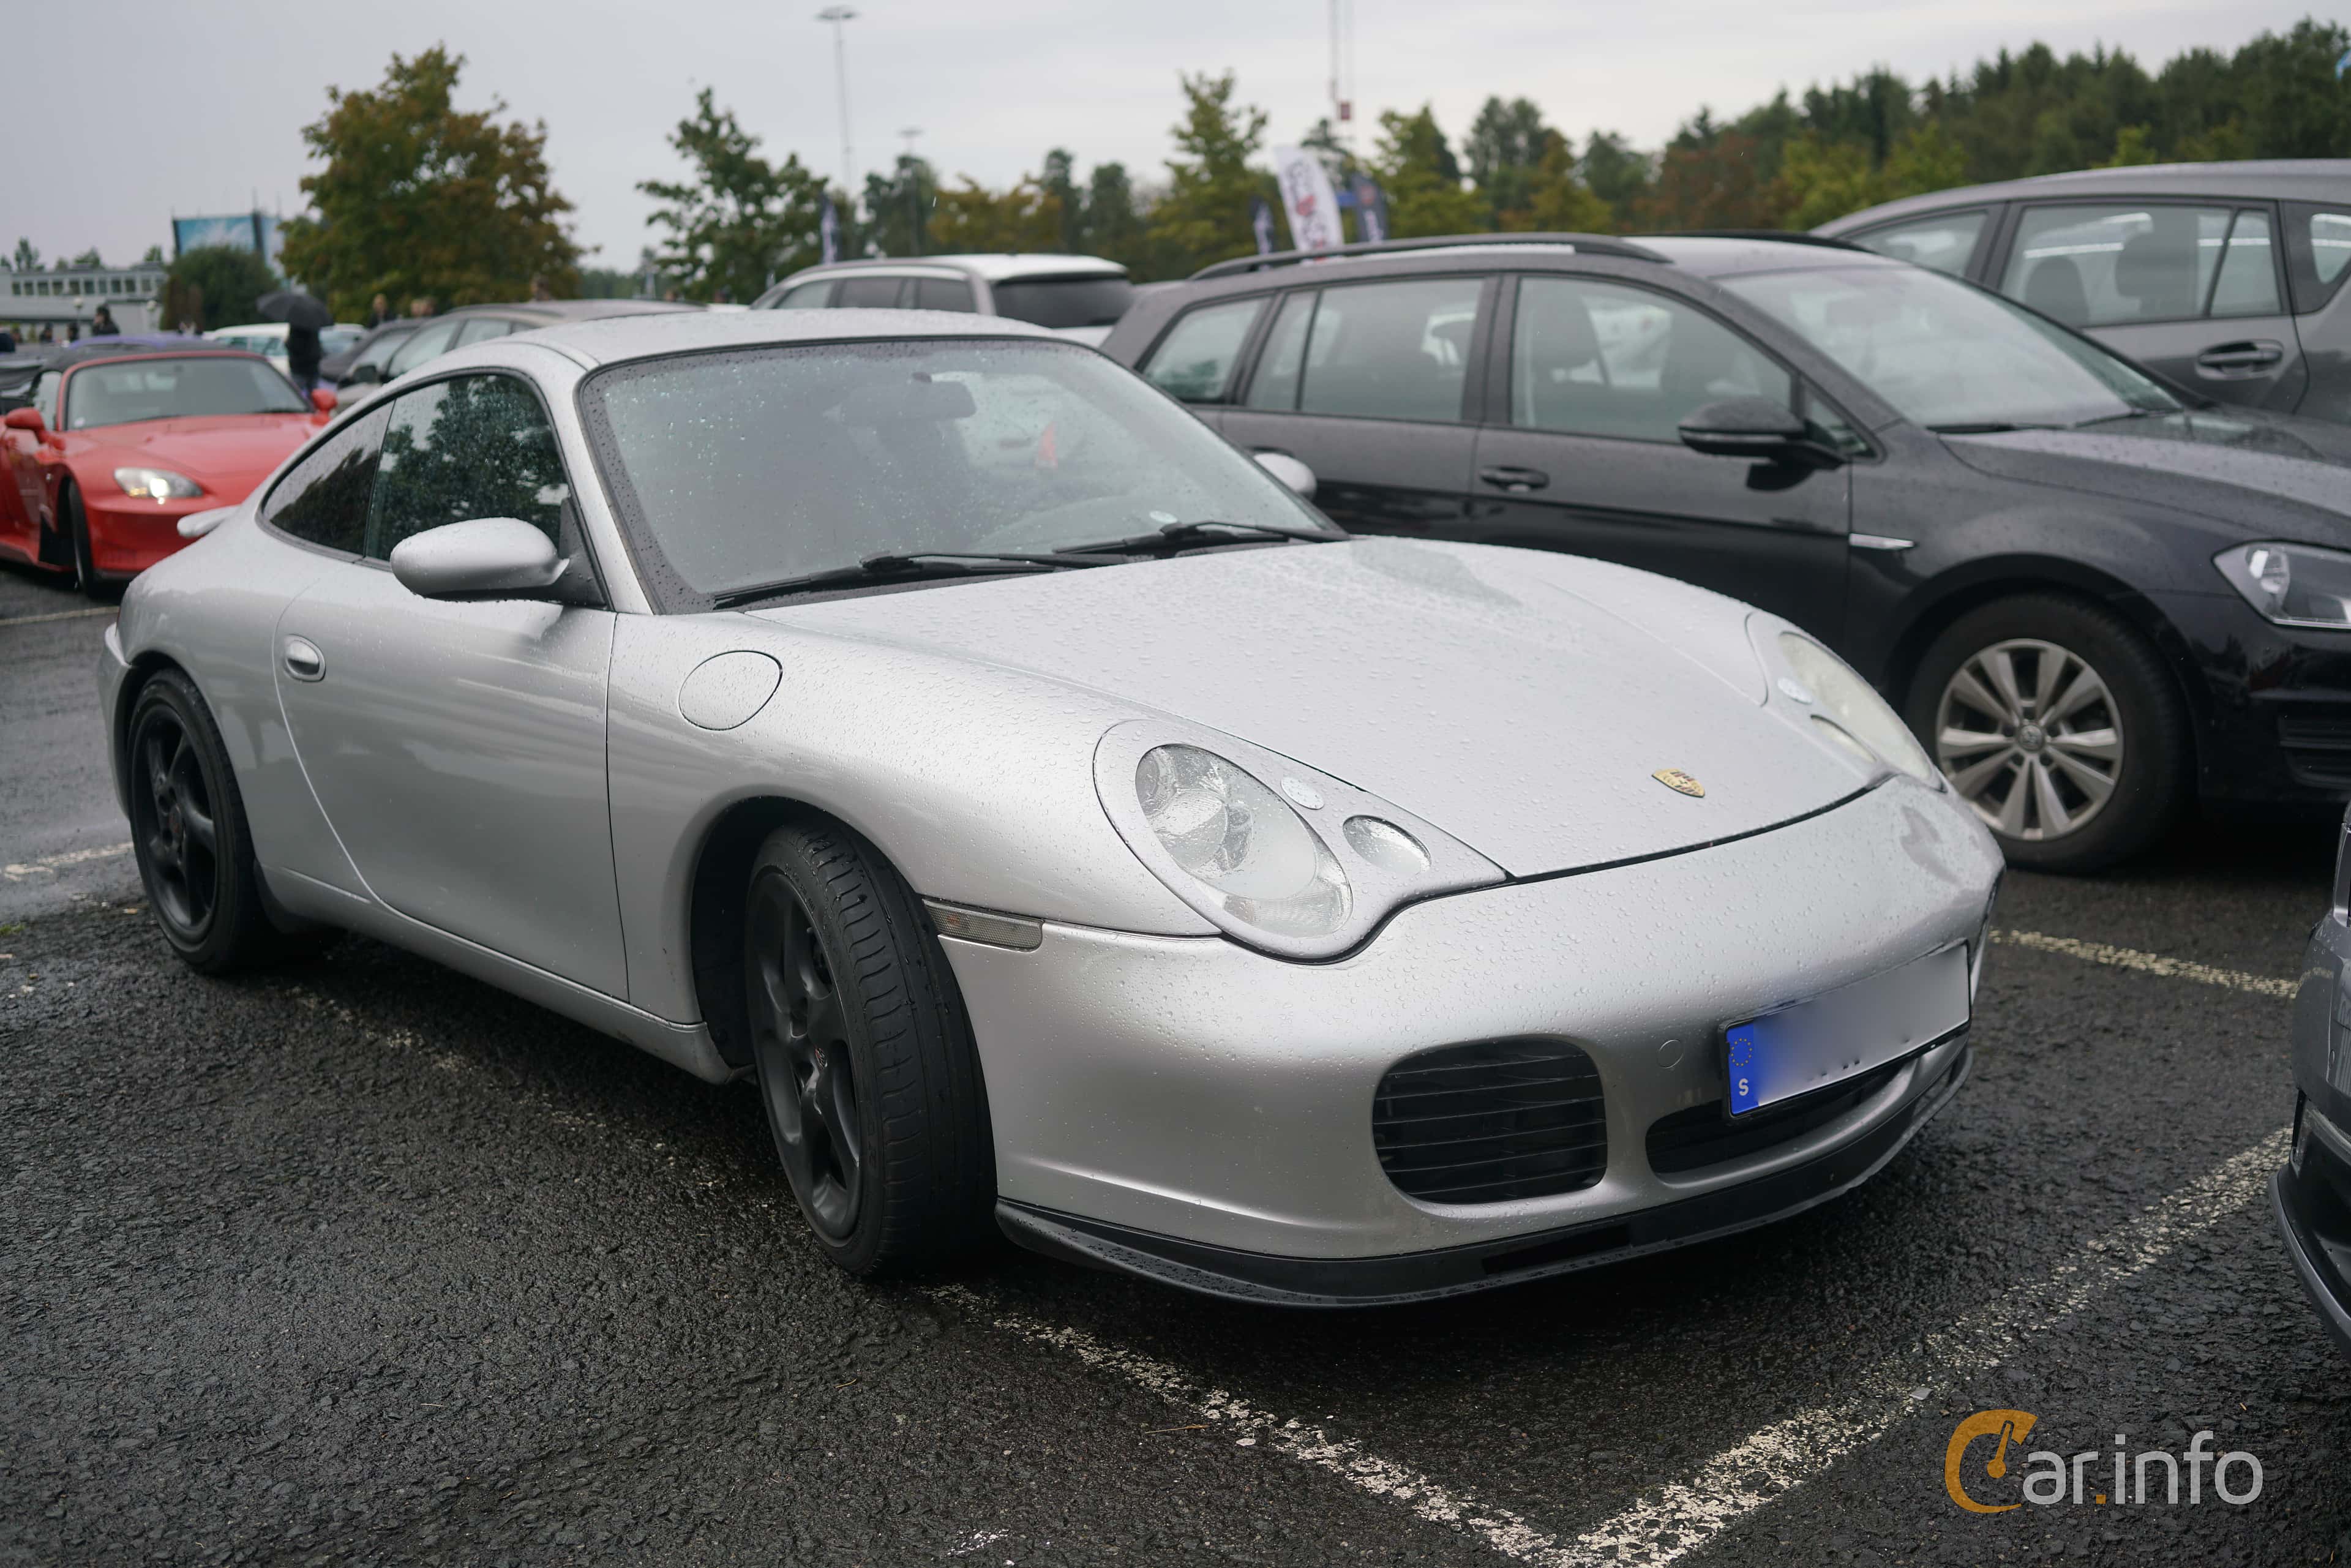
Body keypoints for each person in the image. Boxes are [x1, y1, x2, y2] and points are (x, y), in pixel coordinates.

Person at [285, 318, 323, 396]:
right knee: (315, 396)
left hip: (299, 367)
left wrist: (287, 342)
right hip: (313, 367)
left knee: (295, 395)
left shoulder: (296, 326)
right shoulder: (314, 326)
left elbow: (292, 345)